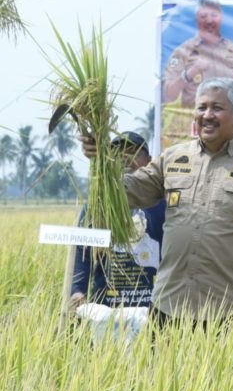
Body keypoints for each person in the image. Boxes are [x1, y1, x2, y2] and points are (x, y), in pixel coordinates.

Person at [83, 77, 233, 326]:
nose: (207, 115)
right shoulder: (173, 158)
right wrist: (100, 162)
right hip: (167, 306)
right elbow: (129, 192)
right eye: (201, 107)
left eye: (217, 108)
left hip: (227, 312)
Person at [70, 131, 165, 309]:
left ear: (149, 161)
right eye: (117, 155)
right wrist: (77, 290)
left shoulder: (161, 203)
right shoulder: (97, 205)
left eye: (134, 153)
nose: (126, 159)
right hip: (106, 305)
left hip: (152, 305)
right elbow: (83, 253)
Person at [161, 0, 233, 108]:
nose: (209, 20)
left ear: (221, 17)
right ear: (196, 19)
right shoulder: (183, 51)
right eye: (203, 16)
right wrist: (191, 72)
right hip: (194, 121)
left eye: (214, 15)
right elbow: (168, 95)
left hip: (227, 121)